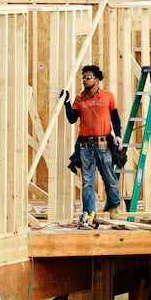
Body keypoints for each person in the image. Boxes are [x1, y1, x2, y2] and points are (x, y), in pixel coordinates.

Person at [60, 65, 123, 228]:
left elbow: (115, 118)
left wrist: (118, 136)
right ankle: (90, 214)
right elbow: (72, 119)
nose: (84, 80)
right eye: (83, 77)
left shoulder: (108, 96)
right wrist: (67, 102)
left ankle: (114, 207)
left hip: (103, 144)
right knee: (87, 181)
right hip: (86, 146)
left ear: (96, 79)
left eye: (88, 77)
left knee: (109, 177)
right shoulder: (79, 99)